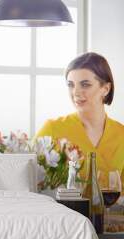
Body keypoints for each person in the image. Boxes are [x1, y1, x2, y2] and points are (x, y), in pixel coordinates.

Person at [35, 52, 124, 205]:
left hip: (112, 225)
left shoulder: (121, 134)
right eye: (71, 85)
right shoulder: (52, 129)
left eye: (85, 84)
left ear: (105, 89)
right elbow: (31, 184)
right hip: (64, 220)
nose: (75, 92)